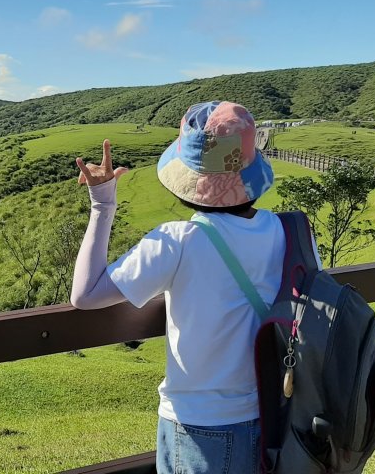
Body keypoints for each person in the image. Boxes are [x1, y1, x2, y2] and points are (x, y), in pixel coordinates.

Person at [71, 101, 285, 474]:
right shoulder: (291, 230)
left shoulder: (178, 240)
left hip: (202, 425)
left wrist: (102, 204)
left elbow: (86, 295)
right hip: (279, 414)